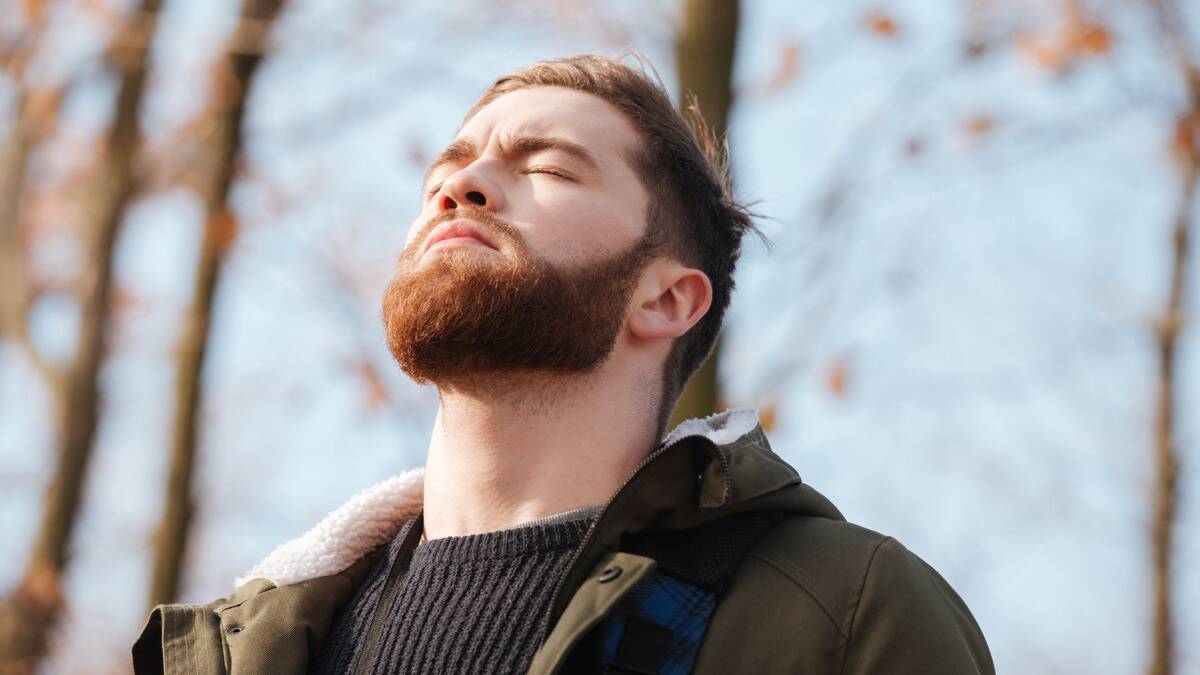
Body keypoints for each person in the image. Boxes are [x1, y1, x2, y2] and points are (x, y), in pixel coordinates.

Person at [133, 53, 994, 675]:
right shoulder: (242, 649)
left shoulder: (839, 612)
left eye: (545, 166)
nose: (461, 186)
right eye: (449, 166)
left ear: (666, 300)